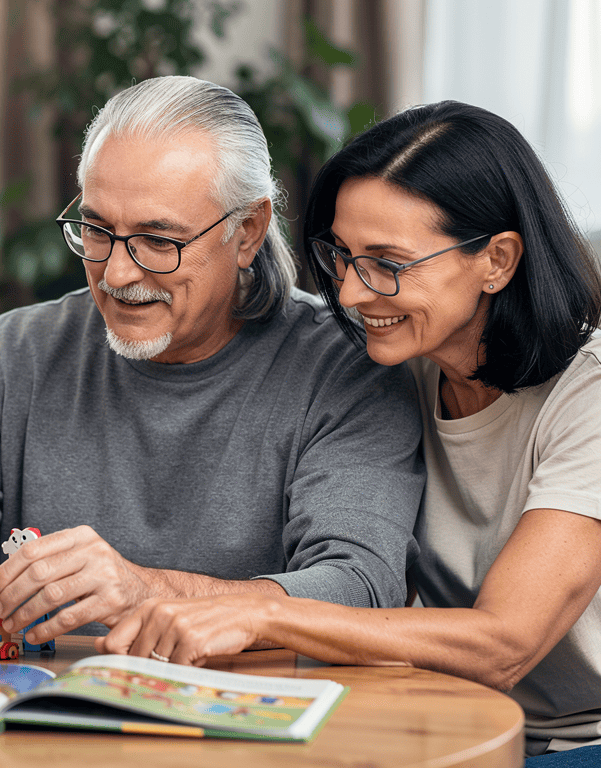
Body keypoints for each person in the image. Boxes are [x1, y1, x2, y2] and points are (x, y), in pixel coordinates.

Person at [97, 100, 601, 763]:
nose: (355, 295)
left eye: (388, 263)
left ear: (498, 261)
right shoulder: (396, 371)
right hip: (433, 716)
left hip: (570, 742)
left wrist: (263, 611)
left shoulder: (587, 394)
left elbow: (502, 645)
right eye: (342, 255)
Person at [0, 75, 425, 645]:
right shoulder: (17, 351)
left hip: (250, 720)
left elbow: (360, 587)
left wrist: (146, 591)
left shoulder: (345, 368)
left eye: (159, 241)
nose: (116, 275)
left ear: (248, 232)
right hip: (34, 719)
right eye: (96, 230)